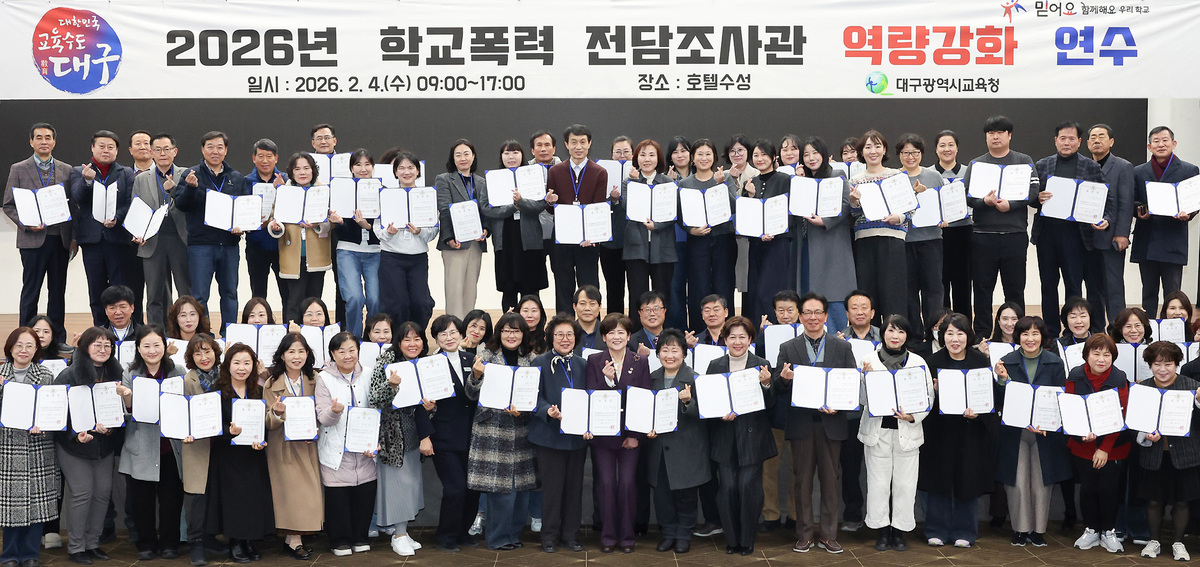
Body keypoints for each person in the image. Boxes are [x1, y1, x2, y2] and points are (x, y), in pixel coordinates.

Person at [775, 292, 857, 554]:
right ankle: (804, 534)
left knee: (830, 480)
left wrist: (840, 405)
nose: (812, 317)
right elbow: (778, 387)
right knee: (802, 482)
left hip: (831, 423)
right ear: (800, 316)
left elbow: (851, 385)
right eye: (807, 312)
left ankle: (829, 534)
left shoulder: (842, 347)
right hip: (801, 424)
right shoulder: (788, 348)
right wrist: (784, 379)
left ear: (825, 315)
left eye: (817, 312)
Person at [858, 315, 934, 552]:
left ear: (907, 336)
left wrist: (912, 417)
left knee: (905, 485)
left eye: (901, 332)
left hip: (907, 433)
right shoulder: (868, 359)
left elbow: (928, 397)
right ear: (883, 333)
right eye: (891, 330)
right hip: (877, 432)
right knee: (878, 484)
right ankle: (882, 531)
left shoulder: (918, 362)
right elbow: (861, 400)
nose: (895, 336)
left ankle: (899, 531)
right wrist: (864, 379)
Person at [994, 316, 1071, 547]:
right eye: (1025, 333)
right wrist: (1001, 381)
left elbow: (1060, 398)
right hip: (1015, 431)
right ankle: (1020, 529)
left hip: (1045, 432)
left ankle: (1038, 531)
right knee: (1017, 483)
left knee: (1041, 483)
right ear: (1018, 336)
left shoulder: (1054, 362)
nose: (1030, 338)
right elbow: (998, 402)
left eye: (1035, 333)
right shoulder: (1006, 362)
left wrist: (1047, 422)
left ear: (1042, 337)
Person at [920, 313, 995, 548]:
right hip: (940, 432)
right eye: (949, 333)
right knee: (939, 480)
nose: (955, 339)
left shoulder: (980, 361)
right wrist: (935, 393)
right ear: (942, 336)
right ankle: (936, 529)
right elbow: (923, 402)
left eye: (960, 333)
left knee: (967, 481)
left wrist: (978, 412)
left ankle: (965, 531)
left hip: (970, 431)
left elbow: (989, 397)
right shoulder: (932, 362)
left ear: (968, 336)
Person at [465, 313, 539, 551]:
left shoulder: (532, 359)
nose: (511, 335)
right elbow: (470, 394)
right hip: (492, 431)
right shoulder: (485, 356)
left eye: (516, 331)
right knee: (499, 492)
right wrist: (476, 376)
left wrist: (525, 409)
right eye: (507, 330)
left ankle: (513, 535)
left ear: (523, 334)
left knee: (521, 491)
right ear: (499, 333)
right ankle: (497, 538)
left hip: (522, 431)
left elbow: (537, 396)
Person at [962, 116, 1040, 337]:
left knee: (1015, 289)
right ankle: (982, 335)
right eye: (991, 133)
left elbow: (1034, 191)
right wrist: (983, 202)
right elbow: (966, 195)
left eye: (1000, 132)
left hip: (1014, 236)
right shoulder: (977, 164)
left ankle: (1018, 334)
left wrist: (1011, 205)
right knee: (982, 289)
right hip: (982, 236)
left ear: (1009, 135)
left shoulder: (1024, 161)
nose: (995, 137)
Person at [1032, 121, 1110, 338]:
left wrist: (1104, 219)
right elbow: (1031, 197)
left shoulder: (1090, 167)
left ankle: (1072, 331)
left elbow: (1104, 198)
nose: (1067, 143)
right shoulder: (1042, 165)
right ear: (1055, 140)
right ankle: (1050, 331)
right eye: (1062, 138)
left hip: (1076, 236)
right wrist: (1038, 198)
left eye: (1071, 139)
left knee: (1073, 286)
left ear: (1079, 142)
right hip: (1046, 235)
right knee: (1048, 285)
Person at [706, 316, 776, 556]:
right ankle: (732, 539)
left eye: (742, 337)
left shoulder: (762, 364)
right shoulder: (715, 365)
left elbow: (771, 404)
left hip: (752, 437)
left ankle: (747, 539)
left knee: (748, 487)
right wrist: (719, 414)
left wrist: (767, 384)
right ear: (725, 339)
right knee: (727, 488)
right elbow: (709, 401)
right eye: (732, 337)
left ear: (750, 339)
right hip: (724, 436)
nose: (737, 342)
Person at [115, 325, 185, 560]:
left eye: (157, 345)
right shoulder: (130, 372)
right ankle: (146, 543)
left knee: (171, 500)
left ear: (165, 346)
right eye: (146, 346)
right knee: (142, 501)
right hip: (141, 444)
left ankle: (169, 543)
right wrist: (128, 398)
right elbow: (125, 413)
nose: (152, 350)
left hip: (170, 446)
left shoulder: (177, 371)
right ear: (138, 348)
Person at [3, 123, 75, 351]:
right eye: (39, 137)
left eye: (48, 137)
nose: (44, 141)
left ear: (54, 142)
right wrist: (27, 223)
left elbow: (74, 206)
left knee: (57, 292)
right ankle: (24, 339)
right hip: (32, 241)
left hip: (60, 239)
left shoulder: (66, 169)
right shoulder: (18, 168)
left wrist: (74, 239)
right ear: (31, 142)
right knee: (31, 291)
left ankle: (58, 339)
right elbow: (8, 205)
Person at [53, 327, 122, 565]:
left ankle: (92, 544)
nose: (103, 349)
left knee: (102, 494)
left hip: (104, 446)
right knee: (82, 493)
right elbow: (57, 415)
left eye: (107, 345)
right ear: (85, 346)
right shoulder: (68, 375)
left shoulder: (116, 375)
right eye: (97, 344)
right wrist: (75, 435)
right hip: (73, 446)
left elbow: (119, 413)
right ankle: (76, 547)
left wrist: (112, 428)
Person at [585, 313, 651, 553]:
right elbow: (591, 395)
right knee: (605, 485)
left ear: (629, 336)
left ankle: (627, 536)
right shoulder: (594, 360)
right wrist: (608, 381)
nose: (616, 336)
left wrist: (636, 435)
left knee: (627, 485)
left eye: (621, 332)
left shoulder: (640, 361)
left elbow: (643, 399)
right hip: (603, 437)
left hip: (630, 436)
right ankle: (608, 535)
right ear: (603, 337)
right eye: (611, 332)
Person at [368, 321, 434, 557]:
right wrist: (391, 385)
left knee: (410, 486)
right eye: (407, 339)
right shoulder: (387, 361)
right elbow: (374, 399)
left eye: (417, 339)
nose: (412, 343)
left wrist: (431, 407)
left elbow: (426, 403)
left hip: (414, 436)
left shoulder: (424, 364)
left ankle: (402, 532)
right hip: (392, 437)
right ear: (398, 342)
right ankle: (398, 535)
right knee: (397, 487)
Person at [203, 343, 273, 564]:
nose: (242, 368)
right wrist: (229, 432)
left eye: (247, 363)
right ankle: (235, 541)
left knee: (252, 499)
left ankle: (248, 540)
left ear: (254, 366)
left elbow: (263, 424)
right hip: (227, 456)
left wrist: (262, 441)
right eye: (237, 363)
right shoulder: (216, 392)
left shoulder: (258, 391)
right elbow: (210, 426)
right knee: (233, 500)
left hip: (252, 456)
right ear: (227, 365)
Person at [0, 327, 60, 567]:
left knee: (37, 504)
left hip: (38, 447)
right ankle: (9, 555)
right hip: (7, 447)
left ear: (37, 349)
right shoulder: (0, 374)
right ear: (10, 348)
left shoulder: (45, 375)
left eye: (29, 346)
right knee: (10, 506)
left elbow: (53, 411)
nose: (23, 350)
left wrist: (44, 425)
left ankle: (31, 554)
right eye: (19, 345)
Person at [1134, 341, 1200, 561]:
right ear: (1150, 365)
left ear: (1177, 364)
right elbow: (1135, 423)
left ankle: (1178, 542)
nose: (1162, 369)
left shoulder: (1192, 386)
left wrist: (1199, 402)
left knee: (1182, 501)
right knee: (1153, 500)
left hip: (1185, 454)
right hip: (1154, 455)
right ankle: (1154, 541)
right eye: (1157, 364)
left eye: (1168, 364)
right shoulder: (1143, 389)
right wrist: (1145, 434)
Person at [175, 131, 249, 327]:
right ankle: (203, 334)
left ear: (226, 150)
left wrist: (242, 226)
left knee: (230, 293)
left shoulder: (236, 177)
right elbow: (181, 205)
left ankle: (229, 332)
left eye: (219, 147)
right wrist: (190, 188)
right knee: (200, 295)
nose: (215, 151)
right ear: (202, 150)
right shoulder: (191, 175)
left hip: (229, 245)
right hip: (201, 245)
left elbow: (245, 208)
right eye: (210, 147)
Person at [643, 329, 706, 554]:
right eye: (664, 350)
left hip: (686, 448)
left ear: (684, 353)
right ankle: (668, 533)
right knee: (662, 496)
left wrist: (689, 402)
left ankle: (683, 535)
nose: (669, 355)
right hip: (658, 448)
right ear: (658, 353)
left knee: (685, 496)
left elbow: (706, 414)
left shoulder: (695, 378)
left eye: (675, 350)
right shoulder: (651, 378)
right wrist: (646, 428)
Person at [530, 314, 589, 553]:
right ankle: (549, 536)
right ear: (550, 338)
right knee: (552, 490)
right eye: (559, 335)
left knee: (574, 489)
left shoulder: (584, 364)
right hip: (549, 436)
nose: (565, 339)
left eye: (569, 335)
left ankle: (571, 535)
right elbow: (532, 396)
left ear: (576, 338)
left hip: (577, 439)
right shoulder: (539, 363)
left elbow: (592, 397)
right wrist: (547, 410)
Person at [315, 332, 378, 556]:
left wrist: (376, 440)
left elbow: (378, 409)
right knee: (338, 497)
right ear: (332, 354)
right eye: (341, 351)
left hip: (365, 449)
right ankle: (339, 540)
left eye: (352, 350)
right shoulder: (324, 378)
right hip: (336, 448)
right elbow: (322, 417)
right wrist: (334, 411)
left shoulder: (369, 374)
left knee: (364, 493)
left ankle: (360, 536)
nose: (347, 355)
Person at [69, 130, 141, 326]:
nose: (106, 150)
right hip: (92, 241)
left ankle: (123, 331)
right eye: (101, 146)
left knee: (121, 291)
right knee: (96, 290)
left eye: (111, 147)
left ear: (117, 151)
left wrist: (117, 218)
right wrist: (87, 181)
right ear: (93, 148)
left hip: (118, 241)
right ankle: (100, 330)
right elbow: (77, 197)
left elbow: (131, 202)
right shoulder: (79, 171)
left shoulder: (126, 173)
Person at [1065, 333, 1129, 554]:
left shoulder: (1120, 379)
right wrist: (1081, 432)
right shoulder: (1075, 375)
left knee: (1109, 490)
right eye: (1096, 353)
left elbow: (1121, 416)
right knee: (1088, 489)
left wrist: (1104, 448)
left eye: (1107, 355)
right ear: (1087, 355)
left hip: (1113, 448)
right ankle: (1091, 529)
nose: (1101, 359)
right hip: (1083, 446)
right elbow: (1071, 409)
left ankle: (1108, 531)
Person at [262, 333, 323, 559]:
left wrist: (316, 428)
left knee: (308, 494)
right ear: (282, 355)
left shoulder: (316, 379)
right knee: (290, 495)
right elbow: (267, 422)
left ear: (307, 354)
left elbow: (322, 411)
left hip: (308, 446)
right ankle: (294, 540)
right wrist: (277, 414)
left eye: (301, 351)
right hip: (283, 447)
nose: (296, 356)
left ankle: (294, 539)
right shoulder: (271, 383)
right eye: (291, 352)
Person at [425, 315, 481, 553]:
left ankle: (462, 532)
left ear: (461, 334)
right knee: (455, 488)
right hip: (444, 436)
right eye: (443, 334)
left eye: (453, 332)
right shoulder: (429, 364)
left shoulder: (472, 359)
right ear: (436, 338)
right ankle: (445, 536)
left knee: (472, 488)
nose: (449, 338)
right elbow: (422, 405)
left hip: (473, 435)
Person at [1132, 126, 1200, 315]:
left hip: (1173, 240)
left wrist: (1189, 213)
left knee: (1173, 294)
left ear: (1173, 143)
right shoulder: (1138, 171)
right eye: (1156, 141)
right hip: (1146, 240)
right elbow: (1132, 200)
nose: (1160, 144)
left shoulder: (1189, 170)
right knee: (1148, 293)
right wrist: (1140, 210)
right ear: (1149, 146)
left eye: (1165, 140)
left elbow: (1195, 201)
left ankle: (1174, 329)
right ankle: (1148, 329)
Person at [545, 124, 609, 314]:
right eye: (574, 142)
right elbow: (550, 209)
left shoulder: (599, 172)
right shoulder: (555, 171)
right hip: (562, 238)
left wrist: (592, 235)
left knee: (589, 287)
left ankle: (592, 327)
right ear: (566, 144)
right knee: (563, 286)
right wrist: (549, 202)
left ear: (589, 144)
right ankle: (564, 326)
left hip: (588, 240)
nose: (578, 147)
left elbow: (598, 207)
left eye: (582, 142)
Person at [797, 136, 856, 333]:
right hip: (807, 245)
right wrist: (798, 182)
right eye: (806, 154)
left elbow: (846, 205)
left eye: (815, 153)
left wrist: (825, 221)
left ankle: (836, 342)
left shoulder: (836, 175)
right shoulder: (802, 180)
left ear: (823, 154)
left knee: (834, 296)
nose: (811, 158)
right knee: (810, 298)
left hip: (832, 244)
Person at [374, 151, 438, 331]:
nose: (406, 172)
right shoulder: (386, 196)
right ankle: (398, 340)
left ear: (418, 171)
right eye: (401, 168)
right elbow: (377, 230)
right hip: (391, 257)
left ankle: (416, 337)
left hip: (418, 258)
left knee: (421, 302)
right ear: (395, 172)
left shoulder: (427, 196)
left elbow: (434, 230)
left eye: (411, 167)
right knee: (397, 304)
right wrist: (389, 233)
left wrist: (420, 231)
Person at [847, 131, 906, 326]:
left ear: (885, 150)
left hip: (892, 240)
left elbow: (909, 208)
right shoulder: (854, 181)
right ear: (861, 152)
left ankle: (895, 336)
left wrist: (899, 217)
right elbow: (853, 215)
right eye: (868, 147)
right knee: (868, 294)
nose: (873, 151)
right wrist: (854, 202)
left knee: (894, 293)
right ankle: (869, 337)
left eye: (878, 146)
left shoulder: (896, 175)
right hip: (865, 241)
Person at [133, 133, 191, 328]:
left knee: (185, 292)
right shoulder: (142, 179)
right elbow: (136, 209)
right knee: (154, 295)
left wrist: (173, 190)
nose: (162, 153)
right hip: (152, 242)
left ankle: (186, 334)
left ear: (175, 152)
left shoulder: (187, 174)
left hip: (180, 240)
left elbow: (191, 204)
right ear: (151, 153)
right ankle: (155, 334)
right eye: (157, 150)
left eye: (167, 149)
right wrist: (137, 232)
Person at [266, 153, 331, 324]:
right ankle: (293, 336)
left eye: (306, 168)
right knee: (294, 301)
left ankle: (315, 335)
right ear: (291, 172)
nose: (302, 172)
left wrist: (317, 224)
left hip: (316, 256)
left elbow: (331, 222)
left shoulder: (323, 191)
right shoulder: (285, 192)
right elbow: (274, 219)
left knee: (315, 300)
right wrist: (276, 227)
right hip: (292, 255)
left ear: (313, 170)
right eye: (297, 169)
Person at [680, 138, 736, 332]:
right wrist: (691, 230)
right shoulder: (684, 184)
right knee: (699, 288)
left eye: (708, 154)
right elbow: (678, 215)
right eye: (700, 154)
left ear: (714, 157)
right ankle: (698, 334)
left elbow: (734, 207)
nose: (704, 158)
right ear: (693, 158)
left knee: (724, 287)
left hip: (723, 241)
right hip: (697, 242)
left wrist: (721, 185)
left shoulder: (724, 178)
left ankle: (727, 333)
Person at [487, 141, 549, 312]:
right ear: (501, 156)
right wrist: (513, 207)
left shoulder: (532, 176)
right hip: (505, 242)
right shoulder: (492, 179)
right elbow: (487, 209)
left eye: (515, 152)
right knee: (508, 290)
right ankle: (510, 325)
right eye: (506, 153)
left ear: (523, 155)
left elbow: (540, 205)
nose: (511, 157)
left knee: (531, 291)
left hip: (530, 243)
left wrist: (521, 201)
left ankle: (533, 327)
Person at [1085, 125, 1135, 329]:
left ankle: (1118, 331)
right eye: (1093, 137)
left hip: (1111, 239)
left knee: (1113, 288)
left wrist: (1122, 233)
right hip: (1087, 240)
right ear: (1087, 143)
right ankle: (1096, 331)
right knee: (1092, 288)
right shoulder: (1084, 166)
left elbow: (1126, 202)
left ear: (1111, 142)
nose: (1097, 140)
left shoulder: (1123, 167)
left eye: (1101, 136)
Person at [180, 334, 223, 567]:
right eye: (197, 353)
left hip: (223, 446)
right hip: (196, 446)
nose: (204, 357)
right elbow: (178, 413)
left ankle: (210, 537)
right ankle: (196, 543)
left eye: (207, 351)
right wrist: (184, 431)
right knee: (196, 497)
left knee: (215, 494)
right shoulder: (186, 380)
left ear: (216, 352)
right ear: (190, 357)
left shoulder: (226, 376)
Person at [759, 291, 801, 533]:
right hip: (774, 412)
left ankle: (795, 515)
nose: (786, 315)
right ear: (775, 312)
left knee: (798, 470)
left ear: (798, 312)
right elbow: (758, 364)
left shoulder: (809, 335)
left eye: (790, 310)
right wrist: (762, 335)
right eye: (781, 310)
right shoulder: (768, 334)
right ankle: (771, 516)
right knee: (769, 469)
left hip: (800, 413)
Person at [329, 149, 382, 338]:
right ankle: (354, 340)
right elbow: (340, 233)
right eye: (358, 164)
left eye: (367, 164)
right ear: (351, 168)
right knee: (354, 298)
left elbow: (384, 228)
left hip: (375, 252)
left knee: (375, 299)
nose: (363, 168)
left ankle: (373, 339)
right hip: (348, 251)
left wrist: (367, 226)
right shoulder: (341, 190)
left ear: (373, 167)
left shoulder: (381, 190)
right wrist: (340, 222)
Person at [623, 139, 678, 317]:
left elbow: (673, 213)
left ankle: (663, 333)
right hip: (636, 248)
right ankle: (636, 333)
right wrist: (634, 183)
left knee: (662, 295)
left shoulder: (668, 182)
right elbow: (626, 208)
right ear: (636, 158)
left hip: (663, 248)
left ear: (658, 158)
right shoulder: (629, 182)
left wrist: (658, 225)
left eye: (652, 155)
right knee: (637, 295)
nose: (647, 159)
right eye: (643, 155)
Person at [435, 139, 489, 319]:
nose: (463, 158)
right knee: (454, 290)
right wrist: (450, 237)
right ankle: (453, 330)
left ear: (473, 157)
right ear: (453, 158)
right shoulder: (444, 179)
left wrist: (486, 230)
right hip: (455, 243)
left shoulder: (481, 182)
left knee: (470, 290)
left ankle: (468, 329)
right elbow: (444, 209)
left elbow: (486, 211)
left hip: (475, 243)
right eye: (458, 155)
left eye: (466, 154)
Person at [896, 134, 946, 330]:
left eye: (915, 152)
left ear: (922, 154)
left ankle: (934, 332)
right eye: (905, 153)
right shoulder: (894, 178)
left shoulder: (934, 176)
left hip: (931, 240)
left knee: (933, 290)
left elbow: (943, 205)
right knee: (908, 291)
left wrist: (944, 218)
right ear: (899, 155)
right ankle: (915, 335)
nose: (910, 157)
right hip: (903, 242)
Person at [743, 139, 792, 324]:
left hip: (778, 244)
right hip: (756, 245)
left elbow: (790, 213)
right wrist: (750, 195)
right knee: (754, 291)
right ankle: (757, 334)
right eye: (756, 155)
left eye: (764, 154)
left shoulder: (785, 180)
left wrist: (774, 232)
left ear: (773, 157)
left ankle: (774, 329)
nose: (760, 159)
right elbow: (746, 217)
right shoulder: (750, 183)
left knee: (770, 291)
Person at [243, 139, 288, 309]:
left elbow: (294, 209)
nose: (265, 160)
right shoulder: (245, 182)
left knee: (287, 293)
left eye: (269, 156)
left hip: (282, 246)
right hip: (256, 246)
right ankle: (261, 322)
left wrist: (283, 190)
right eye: (260, 156)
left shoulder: (286, 180)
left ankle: (288, 325)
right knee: (258, 293)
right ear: (253, 158)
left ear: (276, 158)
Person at [932, 130, 972, 317]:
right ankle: (942, 326)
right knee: (940, 283)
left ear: (957, 148)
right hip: (938, 234)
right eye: (942, 145)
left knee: (963, 282)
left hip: (963, 232)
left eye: (951, 145)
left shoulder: (969, 171)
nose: (946, 149)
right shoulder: (928, 174)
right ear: (936, 149)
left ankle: (964, 325)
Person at [725, 135, 759, 318]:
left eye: (740, 150)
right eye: (732, 151)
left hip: (750, 237)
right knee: (727, 281)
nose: (736, 154)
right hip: (727, 235)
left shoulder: (757, 174)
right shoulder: (722, 176)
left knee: (748, 283)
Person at [601, 136, 632, 316]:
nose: (622, 155)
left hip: (634, 242)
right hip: (610, 242)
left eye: (626, 151)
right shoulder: (602, 173)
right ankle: (614, 325)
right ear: (611, 155)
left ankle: (636, 328)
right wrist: (612, 199)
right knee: (614, 289)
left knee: (636, 288)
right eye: (617, 152)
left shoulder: (640, 175)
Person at [665, 136, 694, 329]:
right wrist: (670, 185)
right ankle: (678, 332)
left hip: (698, 239)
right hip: (673, 241)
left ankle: (697, 332)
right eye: (675, 152)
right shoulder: (663, 179)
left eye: (683, 150)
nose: (680, 155)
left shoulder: (701, 175)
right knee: (675, 289)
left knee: (697, 288)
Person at [630, 291, 666, 355]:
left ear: (664, 311)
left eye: (656, 309)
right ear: (639, 313)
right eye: (647, 309)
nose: (652, 314)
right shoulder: (631, 342)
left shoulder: (675, 339)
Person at [572, 286, 603, 353]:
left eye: (592, 304)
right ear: (574, 306)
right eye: (582, 303)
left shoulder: (607, 331)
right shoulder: (568, 332)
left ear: (599, 307)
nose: (587, 308)